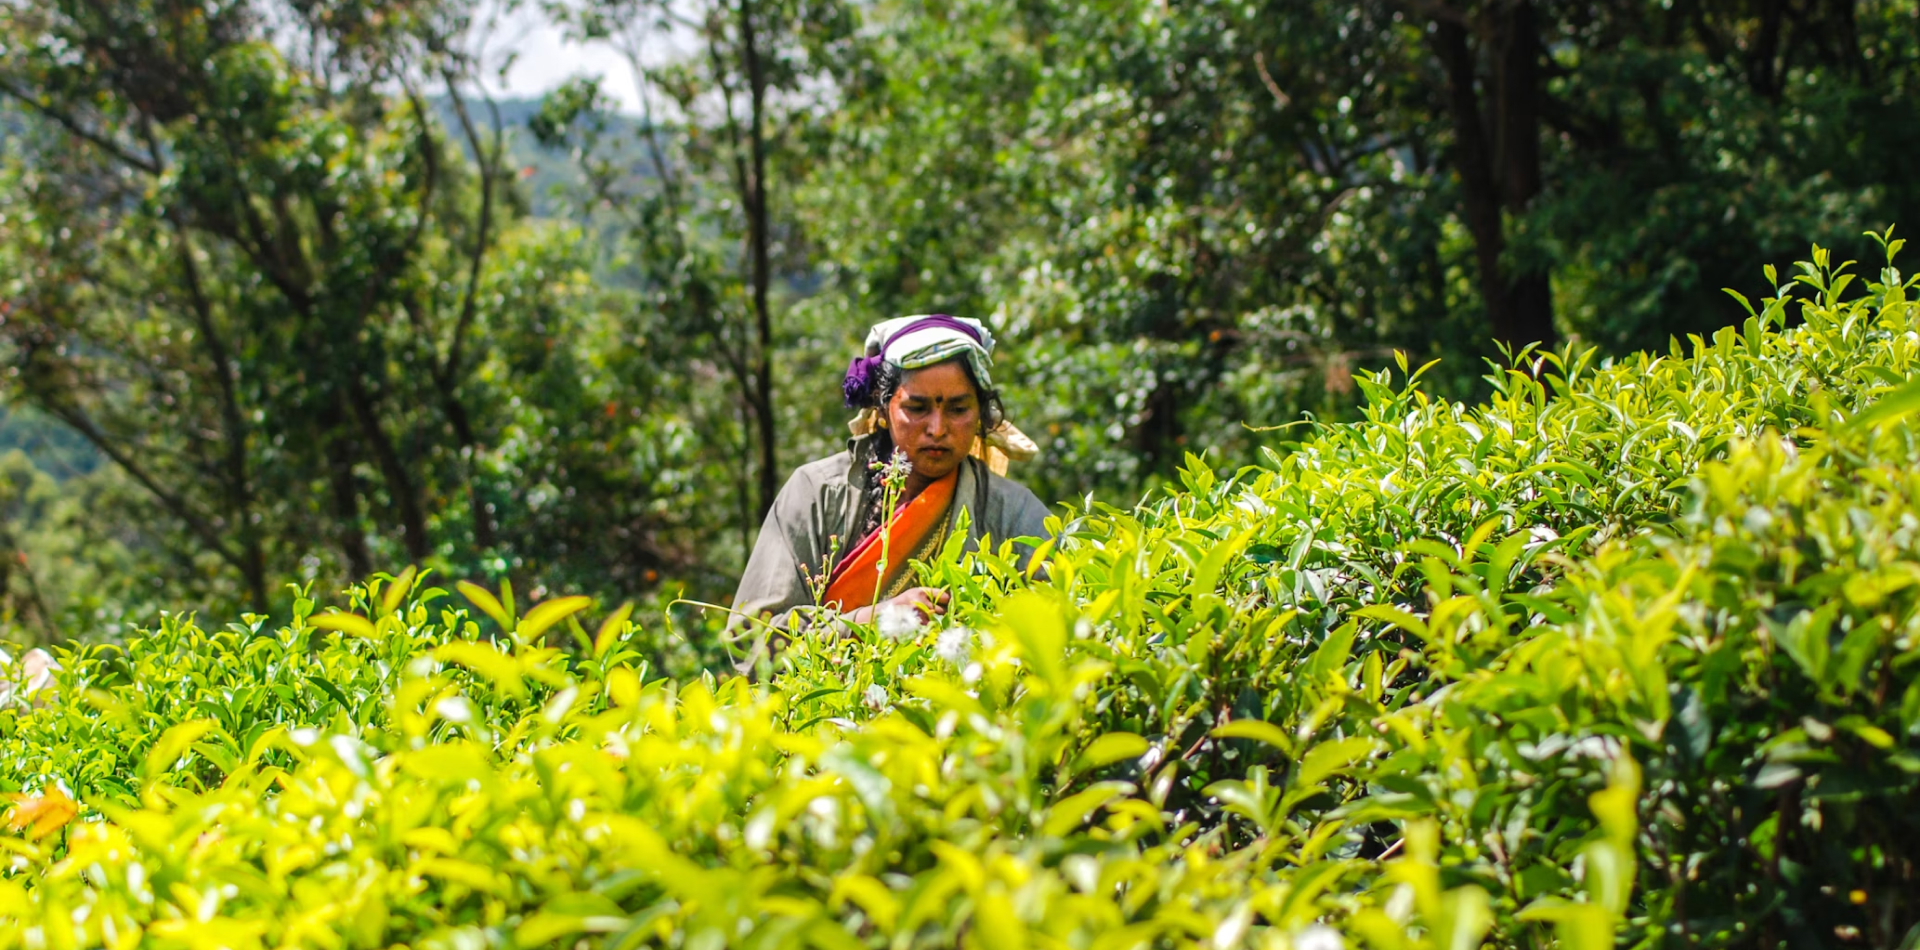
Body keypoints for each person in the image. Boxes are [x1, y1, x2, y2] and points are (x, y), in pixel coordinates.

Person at [731, 314, 1051, 635]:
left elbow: (1069, 614)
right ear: (883, 409)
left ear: (980, 412)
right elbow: (750, 637)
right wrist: (876, 618)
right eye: (917, 408)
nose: (937, 429)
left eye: (957, 410)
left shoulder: (1010, 509)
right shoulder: (817, 493)